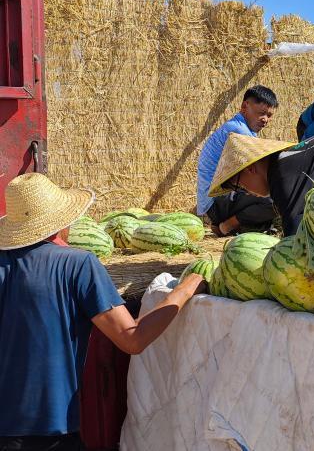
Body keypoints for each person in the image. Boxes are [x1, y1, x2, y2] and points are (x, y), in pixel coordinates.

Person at [0, 173, 205, 451]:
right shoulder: (77, 264)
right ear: (62, 221)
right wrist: (186, 288)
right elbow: (132, 338)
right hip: (49, 432)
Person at [195, 85, 278, 237]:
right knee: (277, 198)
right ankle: (226, 226)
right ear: (245, 106)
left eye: (269, 115)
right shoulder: (239, 131)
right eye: (261, 113)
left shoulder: (240, 128)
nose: (265, 119)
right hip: (216, 202)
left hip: (219, 201)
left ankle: (230, 225)